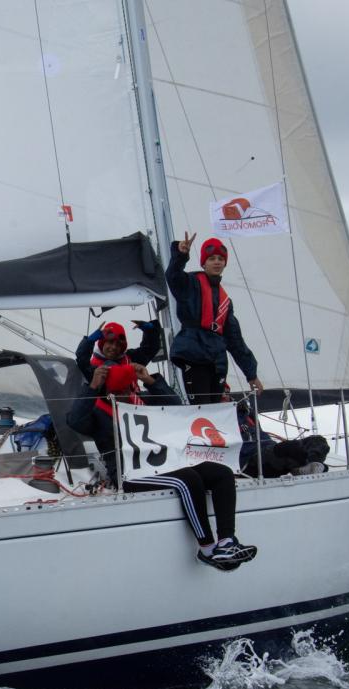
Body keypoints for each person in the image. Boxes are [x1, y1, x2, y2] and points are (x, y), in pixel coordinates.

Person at [66, 363, 257, 570]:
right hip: (130, 473)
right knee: (188, 480)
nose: (123, 395)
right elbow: (75, 421)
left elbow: (176, 406)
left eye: (126, 389)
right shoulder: (97, 414)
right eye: (117, 391)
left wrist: (149, 380)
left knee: (222, 473)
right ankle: (207, 549)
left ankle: (227, 541)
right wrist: (93, 387)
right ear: (108, 392)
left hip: (164, 462)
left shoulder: (141, 402)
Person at [166, 232, 264, 404]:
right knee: (202, 408)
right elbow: (172, 276)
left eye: (220, 258)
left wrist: (251, 374)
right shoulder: (190, 283)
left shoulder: (225, 301)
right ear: (203, 263)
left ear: (225, 263)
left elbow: (235, 340)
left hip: (217, 360)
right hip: (194, 353)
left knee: (216, 408)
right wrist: (180, 255)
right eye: (211, 259)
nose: (217, 262)